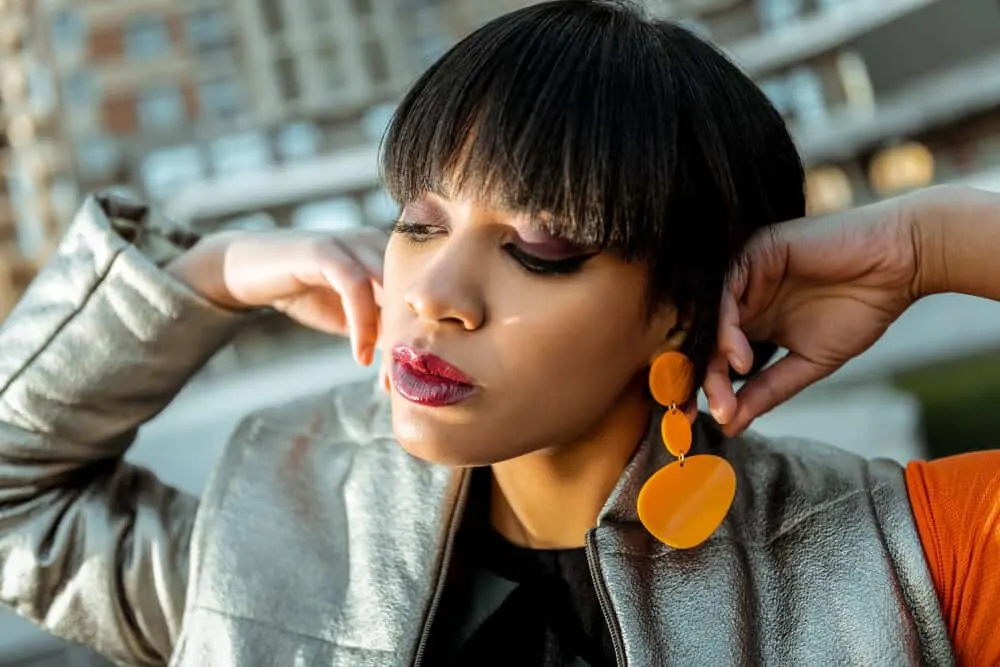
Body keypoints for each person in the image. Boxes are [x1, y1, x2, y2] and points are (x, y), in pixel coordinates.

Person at [0, 1, 997, 665]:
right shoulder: (281, 530)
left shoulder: (883, 560)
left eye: (541, 246)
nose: (435, 291)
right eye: (419, 222)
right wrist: (210, 272)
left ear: (681, 308)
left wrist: (929, 242)